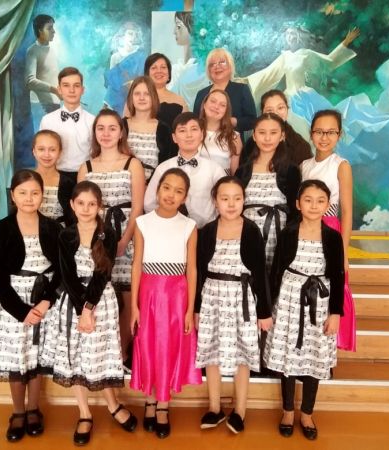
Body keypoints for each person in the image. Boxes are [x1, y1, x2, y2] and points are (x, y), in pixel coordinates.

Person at [40, 181, 137, 446]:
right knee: (76, 356)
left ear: (99, 206)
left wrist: (89, 309)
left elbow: (102, 274)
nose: (86, 208)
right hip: (73, 301)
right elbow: (67, 275)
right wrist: (80, 309)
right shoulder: (66, 235)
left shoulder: (108, 234)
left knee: (100, 354)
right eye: (81, 203)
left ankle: (113, 404)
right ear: (72, 205)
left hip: (100, 300)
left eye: (91, 204)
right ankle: (84, 413)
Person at [263, 179, 345, 440]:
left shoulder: (332, 237)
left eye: (320, 201)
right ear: (298, 204)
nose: (314, 205)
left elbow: (338, 276)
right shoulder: (289, 233)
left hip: (319, 302)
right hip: (288, 300)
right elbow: (276, 271)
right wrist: (269, 307)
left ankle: (307, 412)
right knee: (288, 354)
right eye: (308, 200)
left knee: (314, 355)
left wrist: (335, 313)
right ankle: (288, 410)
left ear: (328, 205)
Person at [0, 169, 61, 442]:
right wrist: (21, 311)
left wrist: (47, 300)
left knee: (37, 356)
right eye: (23, 193)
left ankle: (33, 409)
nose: (29, 198)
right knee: (17, 356)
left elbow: (62, 270)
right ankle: (18, 411)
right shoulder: (1, 229)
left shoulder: (53, 228)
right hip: (14, 302)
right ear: (13, 196)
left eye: (35, 193)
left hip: (44, 300)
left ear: (43, 195)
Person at [195, 176, 272, 434]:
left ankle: (240, 411)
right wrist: (196, 309)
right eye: (225, 198)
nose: (231, 204)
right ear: (215, 201)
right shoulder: (207, 231)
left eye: (237, 198)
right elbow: (198, 273)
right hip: (212, 298)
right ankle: (214, 407)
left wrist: (264, 312)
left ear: (244, 200)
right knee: (211, 352)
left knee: (243, 354)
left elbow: (260, 273)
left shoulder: (251, 231)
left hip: (242, 298)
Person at [130, 168, 201, 439]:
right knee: (149, 345)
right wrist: (134, 306)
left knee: (168, 347)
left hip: (176, 296)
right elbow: (137, 265)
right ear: (157, 189)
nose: (171, 195)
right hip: (148, 294)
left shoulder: (189, 226)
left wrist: (190, 309)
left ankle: (163, 403)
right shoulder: (142, 223)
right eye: (167, 187)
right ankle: (149, 398)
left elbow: (191, 269)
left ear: (185, 197)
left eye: (179, 191)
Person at [77, 109, 145, 363]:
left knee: (126, 294)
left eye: (112, 128)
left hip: (127, 234)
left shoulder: (133, 164)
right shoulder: (85, 167)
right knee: (102, 291)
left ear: (121, 133)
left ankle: (123, 353)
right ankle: (104, 353)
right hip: (95, 237)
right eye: (101, 128)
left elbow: (138, 207)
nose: (106, 134)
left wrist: (124, 240)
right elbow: (81, 208)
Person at [301, 109, 355, 352]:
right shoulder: (304, 165)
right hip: (306, 231)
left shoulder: (341, 165)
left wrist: (344, 251)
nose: (324, 137)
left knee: (331, 286)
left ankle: (329, 345)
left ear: (339, 134)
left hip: (330, 231)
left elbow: (347, 212)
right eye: (319, 132)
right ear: (311, 134)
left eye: (331, 132)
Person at [236, 113, 301, 270]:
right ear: (254, 135)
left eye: (273, 133)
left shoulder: (290, 170)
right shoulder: (243, 171)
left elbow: (295, 211)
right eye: (262, 132)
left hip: (279, 237)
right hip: (248, 236)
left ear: (282, 136)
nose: (267, 138)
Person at [144, 112, 226, 229]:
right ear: (174, 138)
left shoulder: (215, 169)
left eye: (194, 129)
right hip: (170, 229)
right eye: (182, 130)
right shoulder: (163, 168)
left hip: (205, 231)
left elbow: (224, 202)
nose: (189, 135)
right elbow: (149, 204)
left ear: (202, 135)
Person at [40, 67, 94, 186]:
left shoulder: (93, 121)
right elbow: (42, 153)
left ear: (82, 90)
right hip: (55, 177)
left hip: (85, 177)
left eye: (76, 86)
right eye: (66, 85)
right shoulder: (47, 120)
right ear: (59, 89)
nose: (71, 90)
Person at [193, 48, 256, 141]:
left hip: (233, 144)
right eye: (212, 64)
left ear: (230, 66)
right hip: (203, 143)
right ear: (208, 70)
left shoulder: (241, 89)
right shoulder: (201, 93)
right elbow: (195, 121)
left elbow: (252, 121)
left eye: (222, 62)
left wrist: (232, 121)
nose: (217, 66)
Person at [123, 76, 176, 183]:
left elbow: (167, 165)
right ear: (131, 97)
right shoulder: (121, 125)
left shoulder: (164, 129)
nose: (141, 98)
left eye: (147, 94)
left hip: (153, 186)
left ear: (153, 97)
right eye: (137, 94)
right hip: (122, 185)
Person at [240, 90, 312, 166]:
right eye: (269, 110)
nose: (276, 113)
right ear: (262, 113)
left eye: (280, 108)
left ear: (287, 109)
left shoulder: (301, 145)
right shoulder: (251, 145)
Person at [25, 14, 60, 131]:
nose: (53, 31)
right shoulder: (32, 51)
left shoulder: (52, 50)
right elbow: (30, 81)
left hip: (55, 103)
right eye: (49, 28)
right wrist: (54, 90)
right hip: (40, 105)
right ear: (40, 30)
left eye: (53, 28)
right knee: (43, 137)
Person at [31, 130, 74, 225]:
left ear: (60, 152)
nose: (46, 154)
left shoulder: (68, 183)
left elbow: (72, 217)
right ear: (34, 151)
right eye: (41, 149)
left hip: (60, 232)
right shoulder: (24, 181)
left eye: (52, 150)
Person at [104, 22, 147, 115]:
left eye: (135, 35)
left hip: (134, 95)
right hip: (117, 94)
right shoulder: (115, 56)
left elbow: (142, 79)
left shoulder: (140, 55)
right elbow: (112, 80)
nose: (133, 37)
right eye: (130, 34)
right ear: (123, 35)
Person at [198, 89, 242, 174]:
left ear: (226, 111)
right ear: (204, 104)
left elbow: (234, 173)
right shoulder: (192, 131)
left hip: (222, 181)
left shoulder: (234, 136)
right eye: (213, 101)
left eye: (222, 105)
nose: (216, 107)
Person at [143, 53, 188, 130]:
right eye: (154, 68)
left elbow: (185, 129)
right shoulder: (137, 98)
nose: (159, 71)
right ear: (147, 73)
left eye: (163, 67)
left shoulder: (179, 101)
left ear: (169, 73)